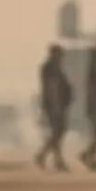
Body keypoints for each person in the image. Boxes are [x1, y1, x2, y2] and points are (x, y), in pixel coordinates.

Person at [35, 44, 72, 172]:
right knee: (58, 132)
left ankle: (55, 160)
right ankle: (44, 156)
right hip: (54, 105)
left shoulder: (54, 68)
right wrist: (57, 106)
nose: (61, 57)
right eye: (59, 55)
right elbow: (52, 88)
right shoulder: (50, 69)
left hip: (57, 105)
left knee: (58, 133)